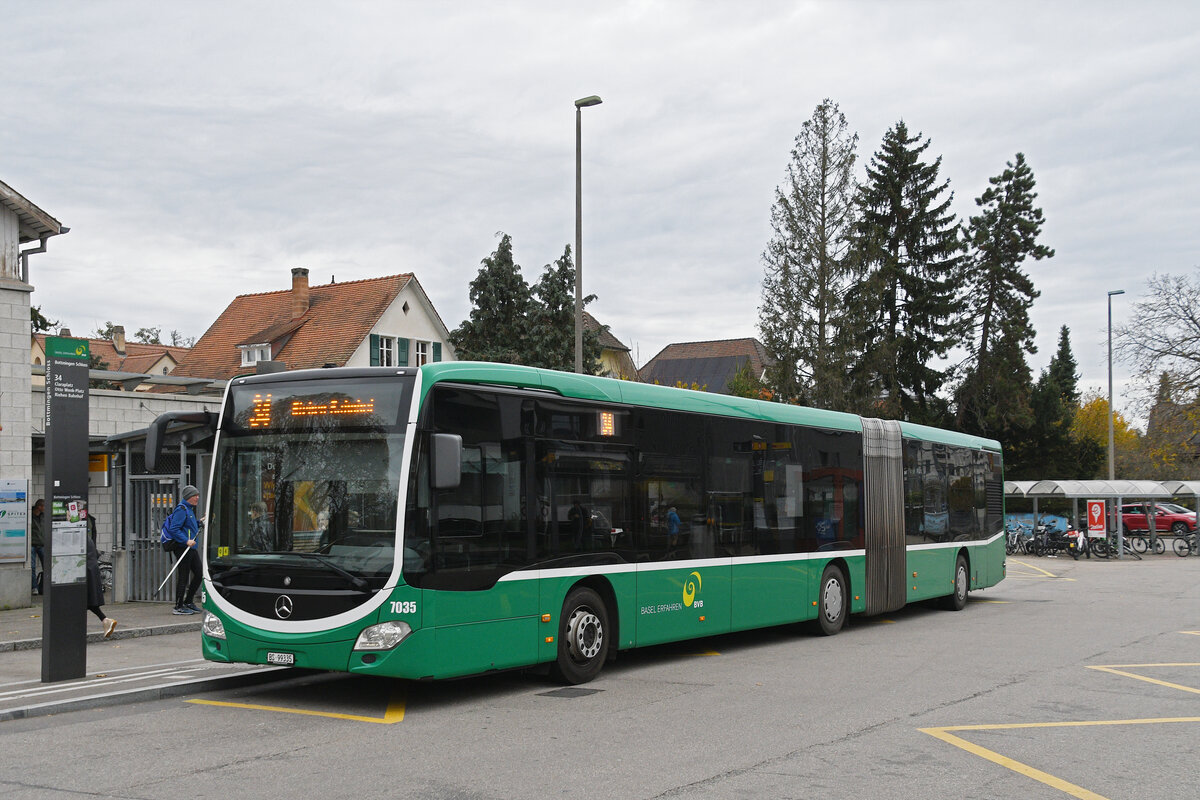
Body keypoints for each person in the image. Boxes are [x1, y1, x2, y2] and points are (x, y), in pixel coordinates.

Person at [161, 485, 203, 615]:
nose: (197, 498)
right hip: (183, 548)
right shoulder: (181, 509)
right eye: (195, 495)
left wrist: (200, 522)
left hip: (191, 548)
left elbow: (189, 526)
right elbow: (174, 529)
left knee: (199, 573)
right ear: (189, 497)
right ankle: (178, 606)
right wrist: (186, 540)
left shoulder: (189, 509)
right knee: (183, 576)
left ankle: (188, 601)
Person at [86, 533, 118, 638]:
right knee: (87, 602)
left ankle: (105, 620)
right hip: (90, 570)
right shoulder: (85, 536)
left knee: (82, 602)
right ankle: (105, 620)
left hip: (85, 572)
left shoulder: (76, 535)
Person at [30, 499, 45, 595]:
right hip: (32, 544)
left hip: (42, 544)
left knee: (47, 566)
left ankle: (44, 587)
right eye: (44, 506)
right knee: (32, 567)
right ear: (39, 507)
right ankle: (34, 587)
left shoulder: (44, 516)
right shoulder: (30, 515)